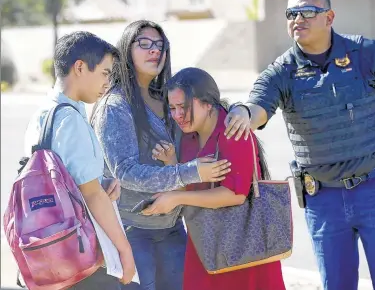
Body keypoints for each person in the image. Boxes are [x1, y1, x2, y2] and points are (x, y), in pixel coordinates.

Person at [223, 0, 375, 290]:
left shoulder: (368, 55)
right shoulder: (282, 72)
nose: (297, 19)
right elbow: (259, 106)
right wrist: (243, 113)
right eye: (291, 13)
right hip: (324, 199)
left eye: (307, 11)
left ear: (329, 17)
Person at [91, 20, 231, 290]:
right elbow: (127, 173)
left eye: (159, 45)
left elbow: (208, 116)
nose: (154, 50)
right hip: (131, 232)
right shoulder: (115, 105)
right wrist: (191, 171)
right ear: (126, 49)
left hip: (173, 229)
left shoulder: (168, 99)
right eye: (144, 43)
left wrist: (237, 111)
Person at [142, 67, 286, 290]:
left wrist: (177, 199)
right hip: (205, 245)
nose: (177, 115)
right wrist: (172, 164)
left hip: (245, 250)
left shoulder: (233, 131)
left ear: (208, 103)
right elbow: (192, 189)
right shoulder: (186, 136)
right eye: (172, 108)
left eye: (184, 107)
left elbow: (235, 195)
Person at [24, 31, 136, 289]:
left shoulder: (42, 114)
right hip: (81, 255)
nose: (108, 83)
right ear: (80, 67)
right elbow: (92, 195)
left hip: (49, 251)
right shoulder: (70, 120)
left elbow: (56, 179)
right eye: (106, 73)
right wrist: (124, 250)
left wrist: (98, 180)